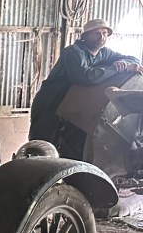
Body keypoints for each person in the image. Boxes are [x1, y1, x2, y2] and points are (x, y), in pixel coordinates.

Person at [29, 18, 142, 156]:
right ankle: (32, 166)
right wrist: (115, 69)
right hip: (51, 100)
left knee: (63, 139)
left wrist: (123, 62)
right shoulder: (73, 52)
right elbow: (87, 77)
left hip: (70, 102)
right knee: (43, 141)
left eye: (105, 33)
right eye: (96, 33)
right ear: (85, 36)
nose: (102, 37)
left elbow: (134, 59)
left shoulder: (103, 52)